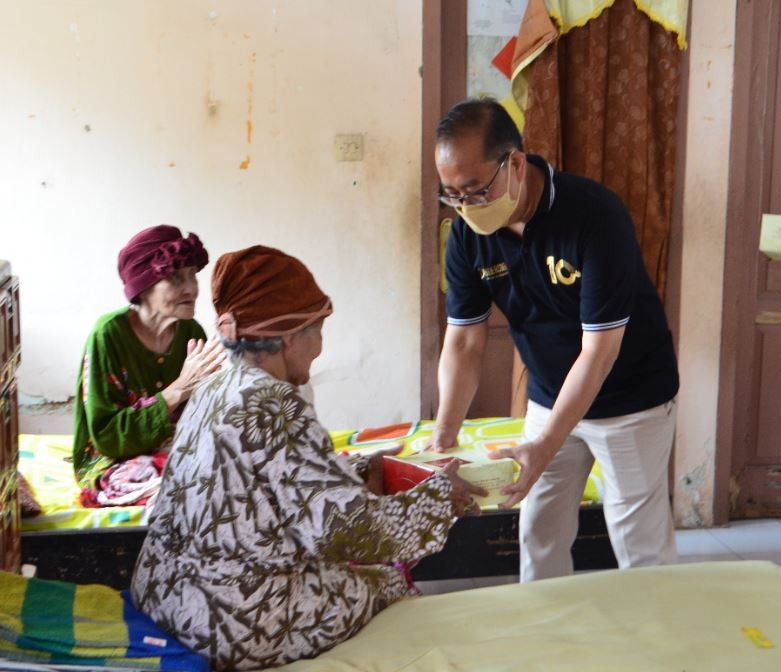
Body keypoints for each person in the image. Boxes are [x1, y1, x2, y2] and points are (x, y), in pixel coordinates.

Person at [131, 245, 485, 671]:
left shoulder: (214, 389)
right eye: (317, 328)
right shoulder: (275, 402)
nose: (320, 344)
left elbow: (265, 485)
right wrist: (439, 498)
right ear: (288, 336)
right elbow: (343, 530)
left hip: (164, 591)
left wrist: (361, 471)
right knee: (388, 584)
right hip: (230, 621)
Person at [430, 98, 680, 581]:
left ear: (516, 164)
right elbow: (463, 343)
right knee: (539, 531)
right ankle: (546, 644)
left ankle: (656, 644)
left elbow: (600, 350)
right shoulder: (466, 235)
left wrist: (543, 445)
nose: (466, 207)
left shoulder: (594, 215)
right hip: (548, 394)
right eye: (452, 195)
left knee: (639, 540)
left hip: (630, 401)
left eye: (476, 191)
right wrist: (444, 434)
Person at [73, 225, 224, 505]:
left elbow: (205, 417)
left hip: (176, 449)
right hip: (117, 458)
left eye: (192, 275)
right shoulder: (108, 335)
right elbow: (106, 438)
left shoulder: (191, 332)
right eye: (176, 278)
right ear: (143, 288)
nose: (191, 288)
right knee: (168, 489)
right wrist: (178, 389)